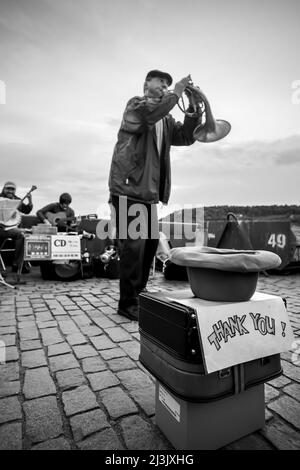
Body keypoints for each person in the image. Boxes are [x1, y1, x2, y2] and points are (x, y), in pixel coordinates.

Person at [108, 69, 202, 320]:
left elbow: (186, 137)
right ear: (146, 83)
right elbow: (150, 113)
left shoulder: (166, 119)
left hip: (148, 193)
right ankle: (127, 303)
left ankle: (139, 294)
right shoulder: (136, 106)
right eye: (160, 81)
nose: (164, 85)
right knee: (134, 247)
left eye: (168, 83)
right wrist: (178, 91)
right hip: (128, 188)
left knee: (148, 246)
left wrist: (193, 108)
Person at [0, 181, 33, 272]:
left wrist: (30, 201)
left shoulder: (17, 200)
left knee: (23, 234)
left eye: (12, 189)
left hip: (13, 228)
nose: (10, 191)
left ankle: (18, 265)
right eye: (8, 189)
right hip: (1, 228)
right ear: (4, 189)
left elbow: (26, 210)